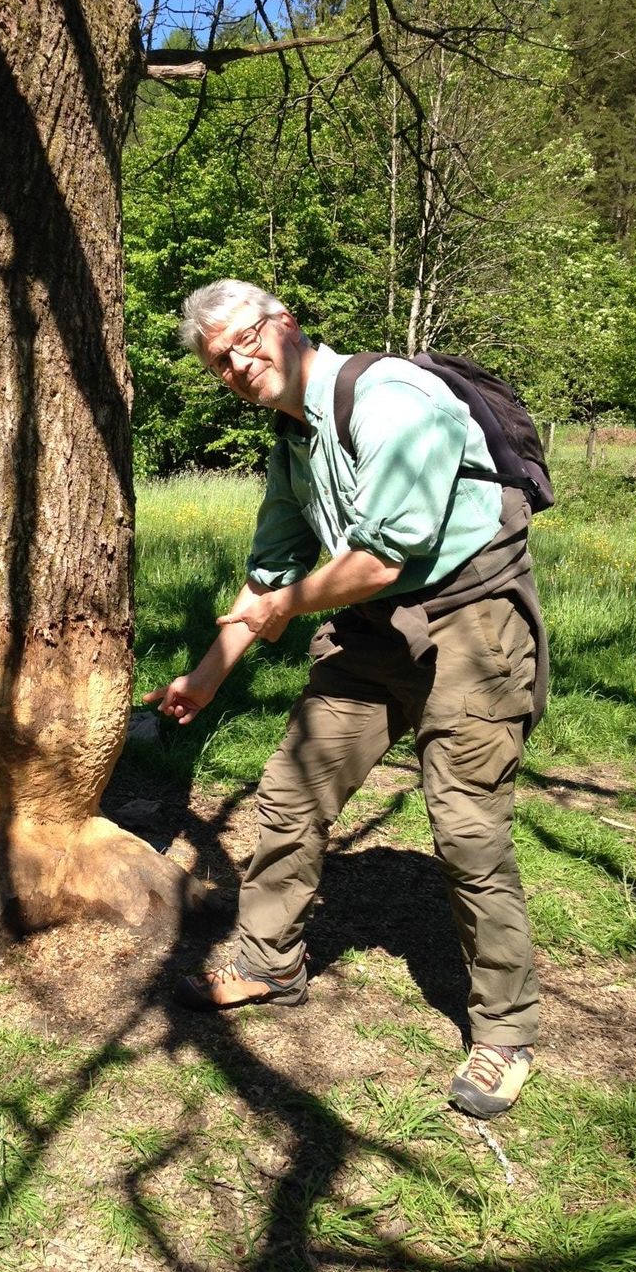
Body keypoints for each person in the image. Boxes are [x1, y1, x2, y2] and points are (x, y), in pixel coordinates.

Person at [144, 279, 548, 1119]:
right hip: (369, 632)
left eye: (243, 341)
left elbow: (384, 557)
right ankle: (268, 960)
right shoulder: (292, 442)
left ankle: (504, 1030)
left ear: (285, 322)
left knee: (469, 828)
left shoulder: (390, 397)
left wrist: (286, 607)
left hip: (470, 622)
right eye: (218, 361)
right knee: (289, 793)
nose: (236, 365)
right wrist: (209, 674)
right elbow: (271, 571)